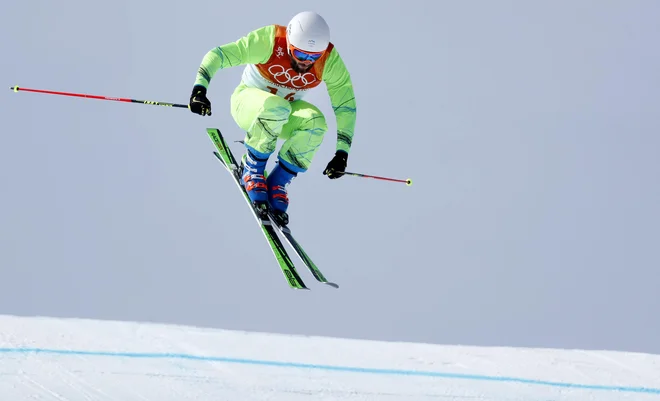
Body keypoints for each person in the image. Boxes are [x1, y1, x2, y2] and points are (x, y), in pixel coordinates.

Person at [188, 11, 357, 226]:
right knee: (278, 107)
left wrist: (342, 152)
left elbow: (346, 104)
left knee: (316, 122)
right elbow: (219, 55)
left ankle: (278, 182)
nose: (306, 62)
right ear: (289, 44)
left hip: (284, 113)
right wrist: (199, 90)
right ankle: (252, 168)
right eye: (300, 55)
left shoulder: (328, 60)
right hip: (247, 105)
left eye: (313, 57)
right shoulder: (270, 41)